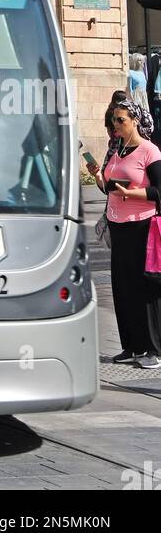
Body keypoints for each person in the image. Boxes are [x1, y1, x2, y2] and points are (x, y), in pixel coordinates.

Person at [86, 96, 161, 367]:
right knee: (122, 288)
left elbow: (158, 192)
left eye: (121, 120)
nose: (116, 125)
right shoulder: (118, 151)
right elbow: (109, 188)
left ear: (135, 121)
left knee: (144, 288)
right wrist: (97, 175)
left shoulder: (150, 151)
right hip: (118, 227)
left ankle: (152, 349)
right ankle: (130, 346)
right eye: (114, 120)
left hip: (141, 225)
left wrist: (133, 193)